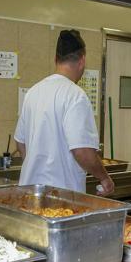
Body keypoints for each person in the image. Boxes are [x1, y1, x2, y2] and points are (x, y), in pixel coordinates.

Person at [14, 29, 114, 196]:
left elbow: (20, 143)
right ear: (82, 61)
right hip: (61, 198)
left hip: (30, 193)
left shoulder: (33, 92)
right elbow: (82, 151)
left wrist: (36, 167)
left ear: (56, 59)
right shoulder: (75, 95)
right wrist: (104, 178)